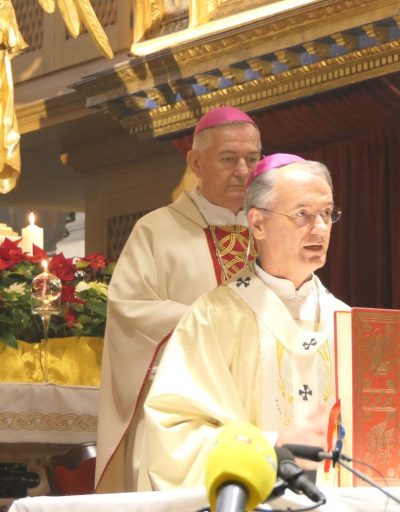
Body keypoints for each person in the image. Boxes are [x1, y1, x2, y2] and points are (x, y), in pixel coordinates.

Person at [137, 153, 349, 490]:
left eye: (326, 213)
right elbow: (174, 433)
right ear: (258, 223)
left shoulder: (346, 322)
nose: (320, 228)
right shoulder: (214, 318)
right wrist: (273, 446)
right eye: (302, 214)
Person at [94, 106, 262, 493]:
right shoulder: (156, 230)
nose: (242, 170)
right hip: (180, 420)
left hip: (257, 405)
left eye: (252, 159)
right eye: (228, 159)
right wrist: (208, 323)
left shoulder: (270, 231)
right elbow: (129, 310)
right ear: (196, 162)